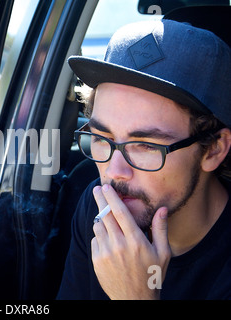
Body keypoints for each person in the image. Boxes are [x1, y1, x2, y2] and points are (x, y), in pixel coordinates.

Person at [57, 19, 231, 299]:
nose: (115, 172)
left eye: (145, 145)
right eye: (102, 138)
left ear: (213, 150)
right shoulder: (98, 208)